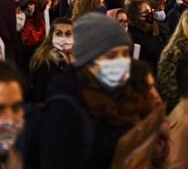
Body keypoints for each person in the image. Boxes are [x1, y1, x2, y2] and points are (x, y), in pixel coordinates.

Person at [35, 13, 153, 167]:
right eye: (111, 55)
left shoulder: (121, 94)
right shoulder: (65, 109)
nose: (121, 62)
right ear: (88, 59)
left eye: (124, 54)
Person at [29, 18, 73, 102]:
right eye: (59, 34)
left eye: (68, 34)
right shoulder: (46, 61)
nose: (63, 38)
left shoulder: (72, 56)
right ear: (51, 36)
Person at [126, 0, 165, 74]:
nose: (150, 15)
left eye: (150, 11)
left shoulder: (152, 31)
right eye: (146, 12)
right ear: (136, 15)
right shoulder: (132, 35)